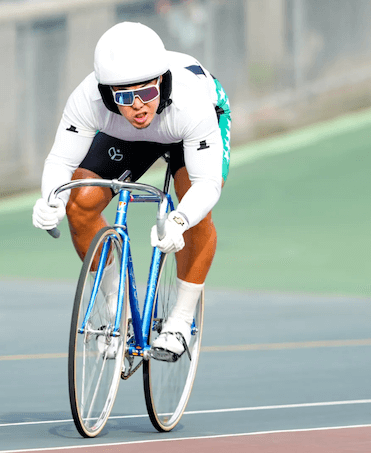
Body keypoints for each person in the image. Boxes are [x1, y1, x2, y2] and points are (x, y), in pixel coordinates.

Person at [31, 21, 231, 359]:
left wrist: (180, 220)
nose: (138, 106)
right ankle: (116, 309)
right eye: (125, 96)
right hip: (126, 136)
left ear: (161, 82)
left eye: (147, 93)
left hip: (186, 131)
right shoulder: (88, 98)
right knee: (80, 203)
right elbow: (60, 162)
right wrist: (52, 198)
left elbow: (207, 184)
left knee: (195, 207)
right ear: (108, 93)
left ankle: (181, 321)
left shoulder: (191, 102)